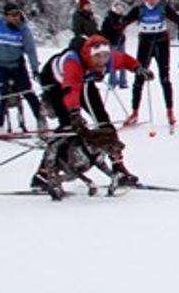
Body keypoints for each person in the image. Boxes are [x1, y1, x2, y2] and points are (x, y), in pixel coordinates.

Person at [33, 35, 145, 194]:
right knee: (67, 126)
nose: (102, 62)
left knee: (104, 122)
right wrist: (74, 113)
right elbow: (71, 89)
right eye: (97, 58)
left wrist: (138, 68)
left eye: (105, 57)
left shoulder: (106, 58)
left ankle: (119, 168)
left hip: (84, 81)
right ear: (88, 55)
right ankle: (43, 174)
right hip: (57, 84)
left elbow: (124, 60)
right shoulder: (74, 63)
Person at [122, 0, 179, 128]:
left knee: (165, 78)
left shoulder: (163, 8)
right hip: (145, 42)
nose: (154, 0)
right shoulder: (139, 9)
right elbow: (124, 21)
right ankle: (135, 111)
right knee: (139, 76)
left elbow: (177, 19)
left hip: (161, 42)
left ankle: (170, 111)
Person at [0, 2, 49, 133]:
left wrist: (35, 68)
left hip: (17, 64)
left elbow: (30, 50)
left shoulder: (23, 30)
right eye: (12, 15)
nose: (16, 18)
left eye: (17, 14)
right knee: (3, 94)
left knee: (27, 92)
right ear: (5, 16)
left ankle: (41, 121)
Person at [99, 1, 129, 89]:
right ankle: (112, 81)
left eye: (120, 8)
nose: (119, 10)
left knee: (122, 61)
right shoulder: (109, 18)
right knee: (112, 62)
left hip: (120, 42)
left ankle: (123, 81)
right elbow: (104, 30)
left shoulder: (122, 18)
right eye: (117, 8)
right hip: (112, 42)